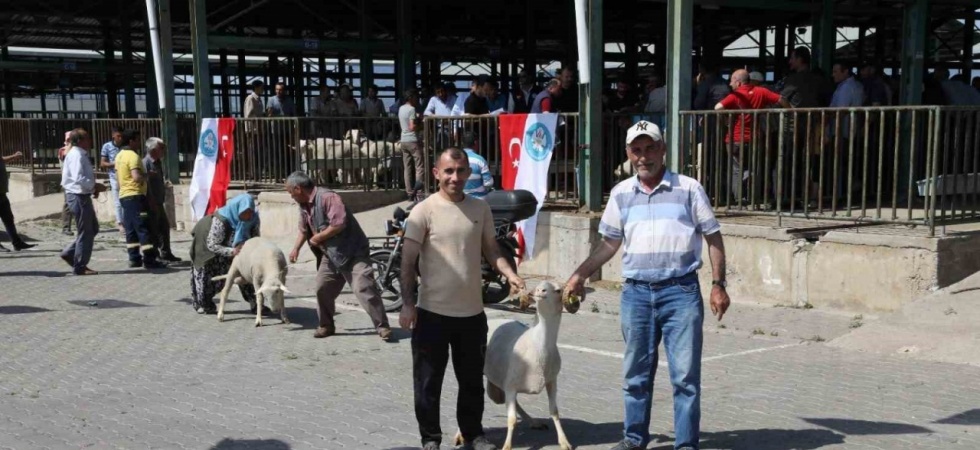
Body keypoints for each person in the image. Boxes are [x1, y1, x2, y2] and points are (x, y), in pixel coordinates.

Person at [563, 121, 730, 450]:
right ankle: (634, 439)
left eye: (650, 148)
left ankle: (685, 445)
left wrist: (718, 284)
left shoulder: (688, 188)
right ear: (628, 154)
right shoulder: (622, 194)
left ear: (663, 149)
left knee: (685, 378)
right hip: (636, 295)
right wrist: (580, 274)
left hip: (680, 294)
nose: (644, 156)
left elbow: (713, 237)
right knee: (635, 376)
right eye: (636, 150)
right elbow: (609, 244)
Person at [399, 148, 525, 450]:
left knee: (471, 382)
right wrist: (407, 303)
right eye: (448, 171)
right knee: (428, 383)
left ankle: (473, 434)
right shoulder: (423, 211)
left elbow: (492, 250)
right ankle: (430, 438)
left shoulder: (480, 209)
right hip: (432, 315)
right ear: (436, 174)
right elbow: (407, 261)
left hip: (472, 315)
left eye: (460, 171)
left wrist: (511, 274)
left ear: (469, 173)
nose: (455, 177)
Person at [285, 171, 392, 341]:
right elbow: (303, 230)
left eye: (290, 191)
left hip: (353, 251)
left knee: (363, 287)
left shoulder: (328, 197)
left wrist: (318, 237)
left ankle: (383, 326)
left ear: (298, 188)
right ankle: (326, 325)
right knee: (322, 288)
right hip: (331, 255)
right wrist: (296, 249)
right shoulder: (304, 205)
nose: (290, 196)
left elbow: (339, 224)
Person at [188, 194, 262, 315]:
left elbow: (255, 237)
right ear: (237, 209)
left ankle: (257, 304)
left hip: (235, 247)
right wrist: (232, 251)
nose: (248, 215)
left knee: (246, 273)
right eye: (245, 212)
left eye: (250, 211)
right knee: (206, 275)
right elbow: (212, 244)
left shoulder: (253, 218)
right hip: (208, 247)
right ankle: (203, 303)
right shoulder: (221, 220)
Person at [114, 129, 167, 270]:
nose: (139, 143)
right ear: (131, 141)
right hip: (136, 196)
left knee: (131, 229)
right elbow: (137, 177)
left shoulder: (119, 156)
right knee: (144, 229)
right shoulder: (133, 156)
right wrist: (147, 175)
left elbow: (118, 179)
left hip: (124, 196)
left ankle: (134, 258)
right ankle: (150, 260)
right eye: (137, 140)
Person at [60, 128, 108, 275]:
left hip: (82, 195)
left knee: (92, 228)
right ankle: (80, 265)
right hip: (78, 196)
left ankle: (70, 253)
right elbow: (78, 177)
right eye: (87, 138)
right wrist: (94, 186)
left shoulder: (80, 154)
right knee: (86, 231)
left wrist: (92, 188)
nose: (90, 141)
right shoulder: (76, 155)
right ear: (80, 140)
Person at [143, 137, 181, 262]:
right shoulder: (146, 163)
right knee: (153, 230)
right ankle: (155, 255)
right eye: (161, 148)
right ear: (153, 149)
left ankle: (166, 252)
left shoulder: (158, 162)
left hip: (159, 201)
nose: (164, 150)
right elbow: (145, 183)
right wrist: (151, 199)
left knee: (164, 228)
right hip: (152, 201)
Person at [0, 150, 36, 252]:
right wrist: (13, 156)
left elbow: (1, 159)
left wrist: (13, 157)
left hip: (2, 194)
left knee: (8, 219)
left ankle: (17, 243)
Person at [99, 126, 126, 235]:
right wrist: (115, 163)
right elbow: (103, 163)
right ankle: (120, 223)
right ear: (113, 136)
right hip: (114, 176)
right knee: (118, 201)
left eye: (121, 136)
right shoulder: (107, 146)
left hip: (125, 176)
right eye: (118, 136)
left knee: (126, 200)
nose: (120, 138)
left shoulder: (125, 147)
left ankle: (126, 221)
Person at [399, 88, 425, 199]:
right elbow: (412, 127)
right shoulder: (412, 109)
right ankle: (419, 192)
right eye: (415, 97)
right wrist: (421, 124)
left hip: (403, 140)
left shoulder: (401, 108)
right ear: (411, 98)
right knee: (419, 167)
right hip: (412, 140)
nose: (417, 99)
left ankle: (409, 192)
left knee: (407, 167)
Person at [460, 131, 493, 198]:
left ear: (462, 143)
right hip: (479, 199)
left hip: (460, 199)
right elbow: (488, 183)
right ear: (476, 143)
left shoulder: (456, 159)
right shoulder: (479, 160)